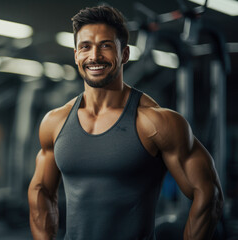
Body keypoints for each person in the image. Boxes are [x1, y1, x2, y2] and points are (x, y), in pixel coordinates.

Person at [28, 5, 223, 240]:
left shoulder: (155, 122)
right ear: (76, 55)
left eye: (106, 45)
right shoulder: (55, 122)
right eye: (85, 47)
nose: (94, 56)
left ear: (125, 54)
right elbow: (41, 192)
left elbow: (208, 193)